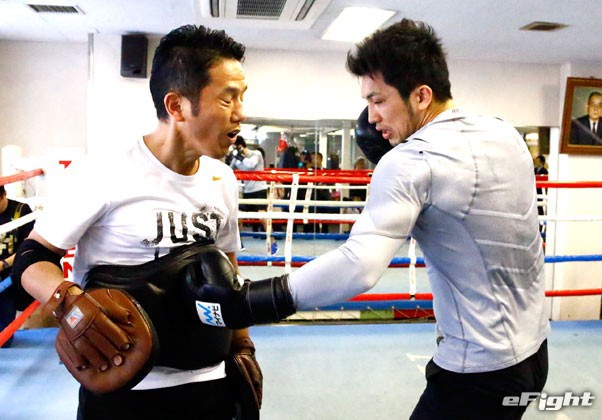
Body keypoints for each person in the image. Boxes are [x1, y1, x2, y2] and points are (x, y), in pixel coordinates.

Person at [191, 18, 550, 420]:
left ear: (422, 95)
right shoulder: (503, 132)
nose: (371, 117)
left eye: (378, 100)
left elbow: (358, 266)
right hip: (535, 352)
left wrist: (251, 302)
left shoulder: (413, 161)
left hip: (477, 370)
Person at [12, 25, 262, 420]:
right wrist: (70, 302)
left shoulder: (223, 179)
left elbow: (228, 272)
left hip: (211, 383)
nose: (241, 113)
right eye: (227, 98)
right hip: (125, 388)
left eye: (242, 97)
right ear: (176, 106)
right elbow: (31, 257)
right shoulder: (104, 171)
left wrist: (242, 345)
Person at [229, 135, 278, 255]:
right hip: (247, 191)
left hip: (259, 190)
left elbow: (250, 165)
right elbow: (230, 169)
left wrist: (240, 156)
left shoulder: (256, 154)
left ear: (240, 146)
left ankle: (273, 242)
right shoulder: (237, 158)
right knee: (238, 216)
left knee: (262, 216)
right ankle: (239, 242)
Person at [0, 185, 34, 348]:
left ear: (4, 195)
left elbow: (28, 246)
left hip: (9, 275)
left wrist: (4, 263)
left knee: (4, 341)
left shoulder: (21, 211)